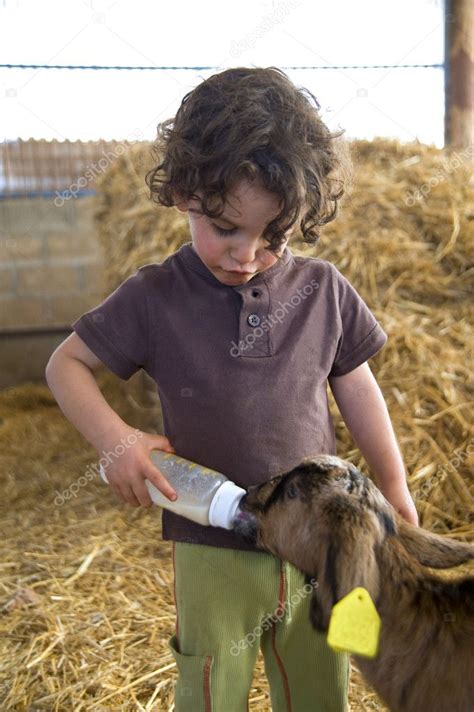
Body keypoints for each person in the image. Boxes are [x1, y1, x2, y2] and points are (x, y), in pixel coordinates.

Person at [45, 66, 419, 712]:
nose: (246, 254)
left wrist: (394, 487)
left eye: (272, 236)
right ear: (185, 192)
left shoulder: (323, 292)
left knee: (318, 684)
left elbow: (359, 389)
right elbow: (64, 366)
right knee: (211, 684)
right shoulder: (155, 296)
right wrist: (118, 441)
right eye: (225, 228)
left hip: (315, 542)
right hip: (210, 543)